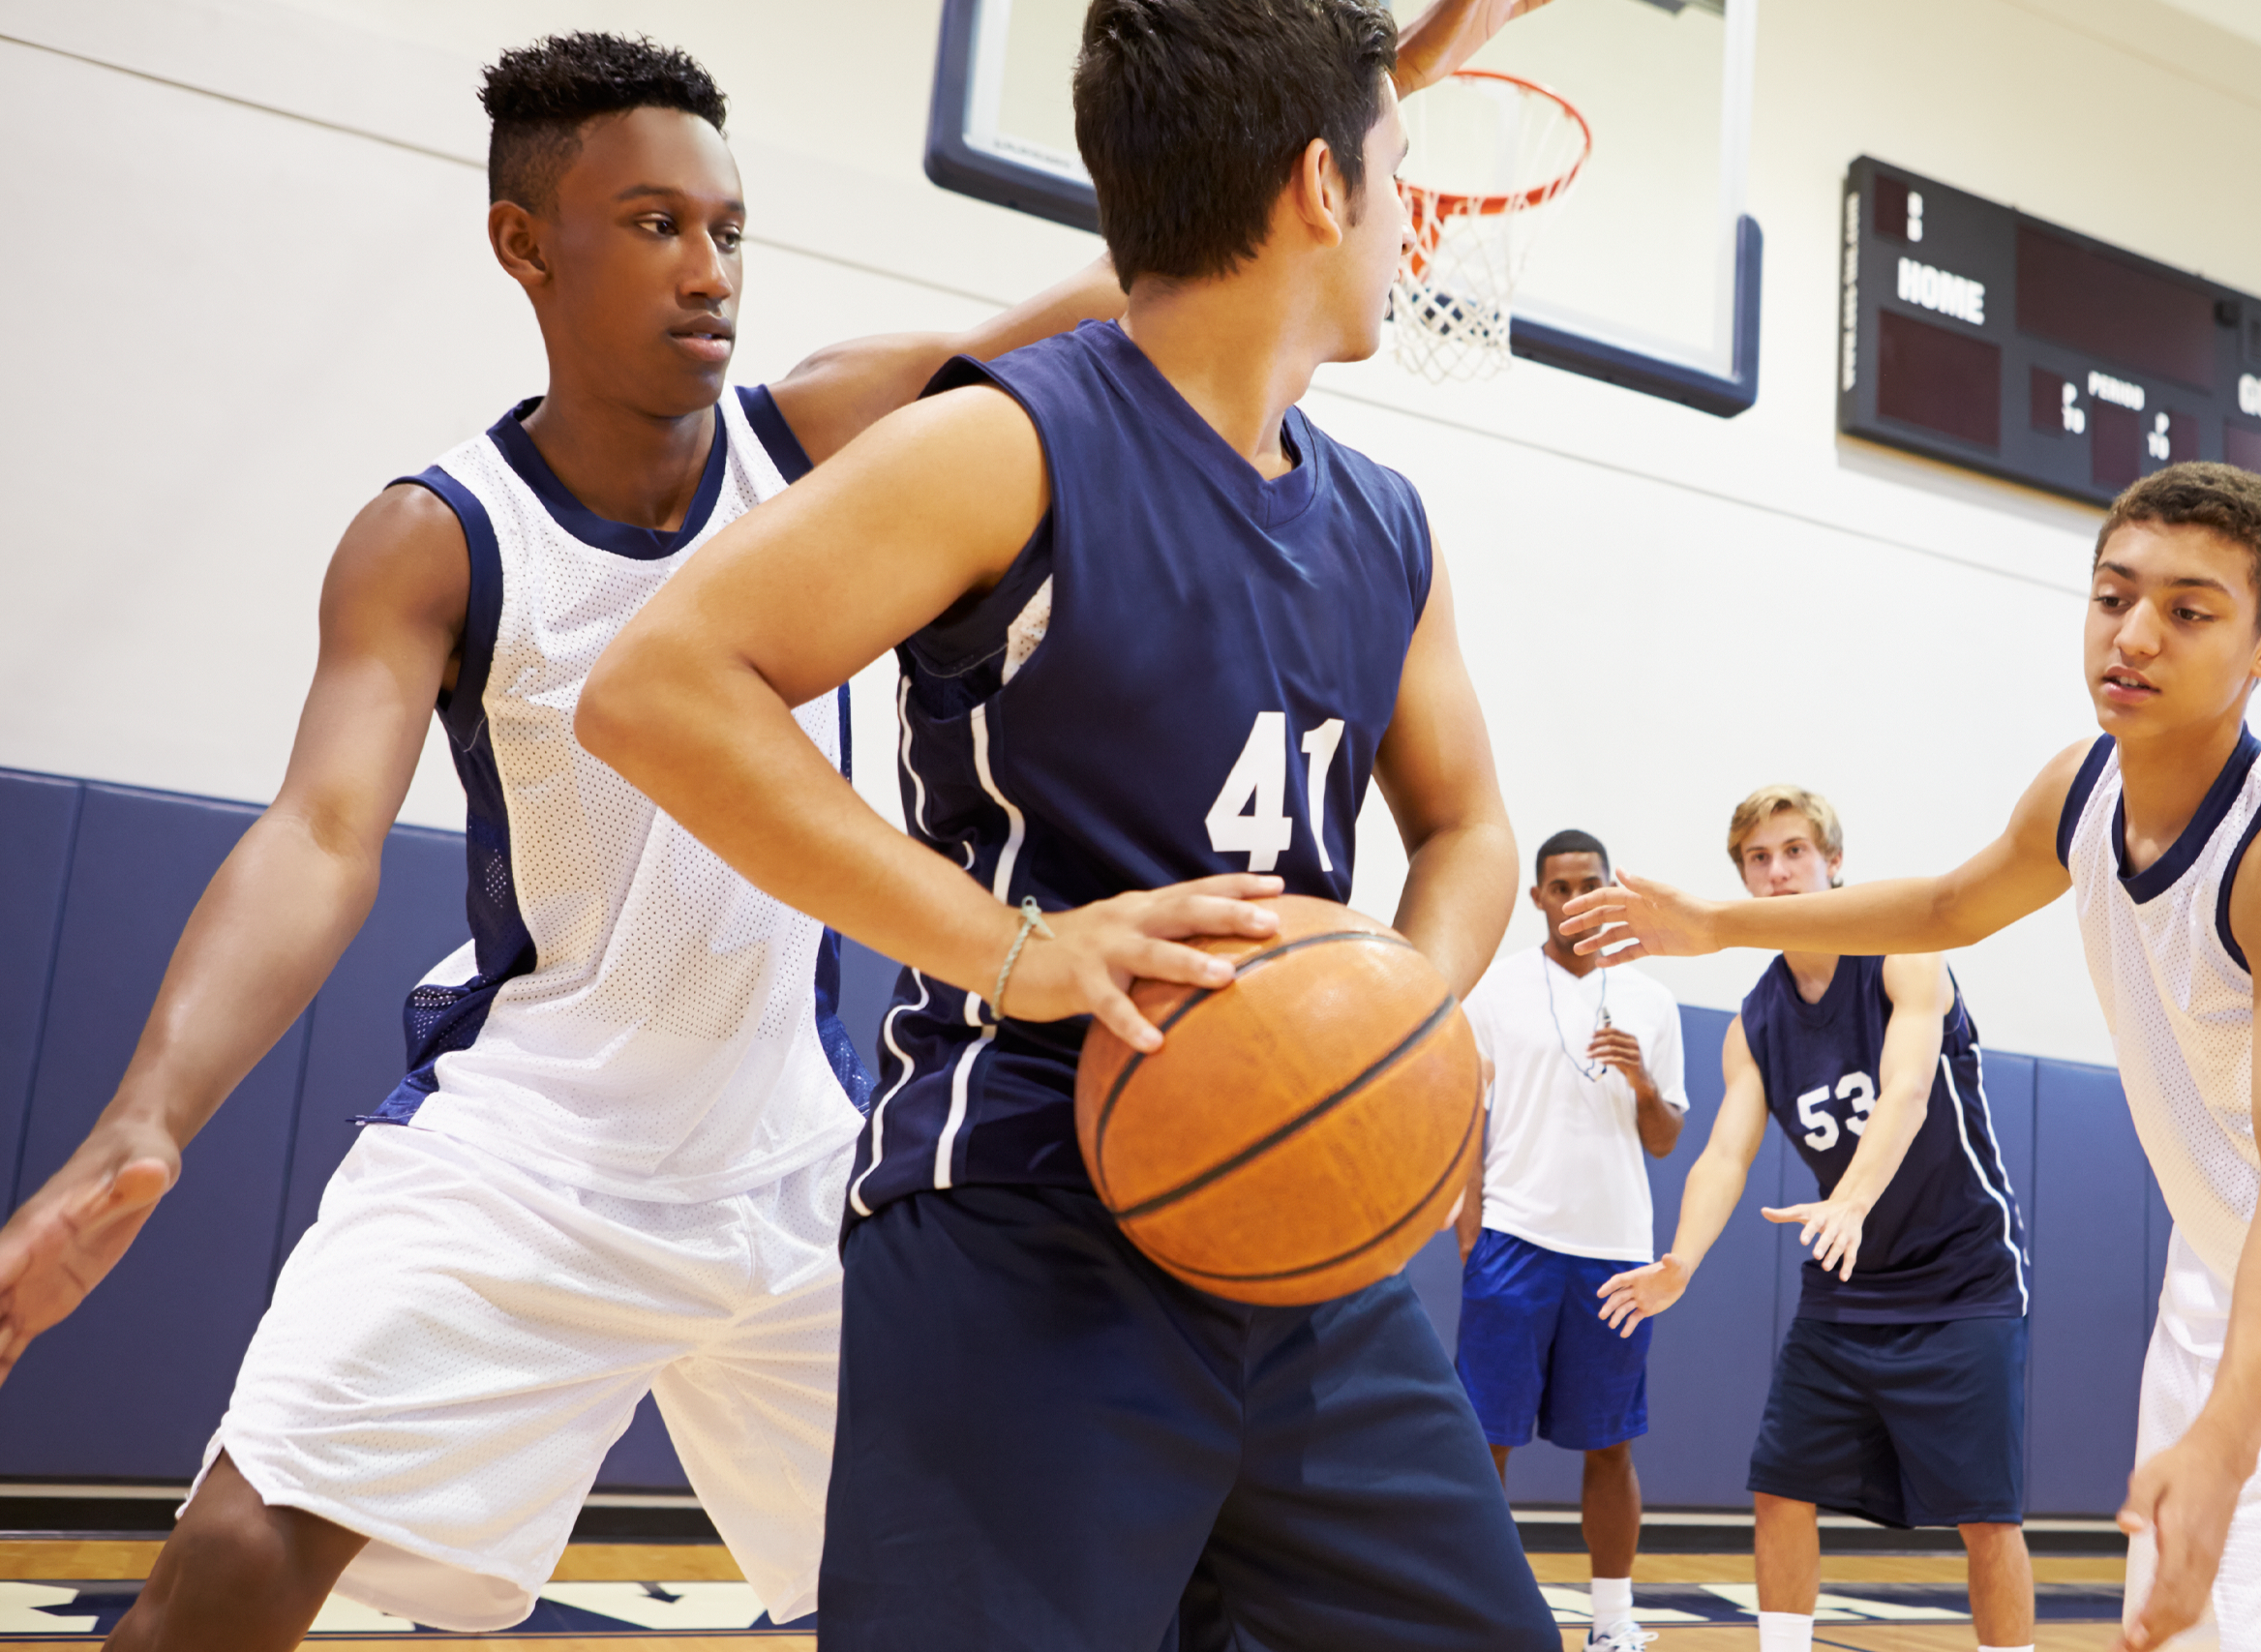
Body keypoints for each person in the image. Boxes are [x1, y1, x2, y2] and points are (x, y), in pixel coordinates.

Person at [0, 32, 1176, 1648]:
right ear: (522, 242)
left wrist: (1393, 75)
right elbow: (319, 835)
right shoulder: (438, 534)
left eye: (727, 228)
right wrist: (146, 1117)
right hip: (529, 1161)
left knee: (984, 1594)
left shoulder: (816, 436)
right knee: (231, 1571)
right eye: (650, 224)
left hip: (794, 1174)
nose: (710, 270)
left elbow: (1140, 293)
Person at [575, 2, 1564, 1646]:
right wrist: (1012, 948)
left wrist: (1397, 1014)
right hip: (1024, 1209)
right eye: (1404, 173)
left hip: (1309, 1242)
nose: (1416, 219)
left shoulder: (1389, 525)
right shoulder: (1010, 441)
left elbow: (1465, 831)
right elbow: (660, 687)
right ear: (1323, 189)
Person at [1571, 461, 2261, 1652]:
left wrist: (2223, 1439)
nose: (2135, 636)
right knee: (2186, 1627)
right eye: (2113, 597)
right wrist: (1720, 923)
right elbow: (1947, 904)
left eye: (2189, 611)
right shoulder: (2080, 786)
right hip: (2222, 1266)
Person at [1599, 786, 2032, 1652]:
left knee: (1985, 1516)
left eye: (1794, 850)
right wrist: (1681, 1259)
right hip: (1847, 1286)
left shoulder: (1906, 953)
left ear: (1834, 863)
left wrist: (1853, 1198)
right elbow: (1725, 1151)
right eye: (1759, 859)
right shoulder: (1757, 1020)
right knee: (1780, 1486)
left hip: (1962, 1279)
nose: (1778, 869)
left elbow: (1907, 1090)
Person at [1453, 827, 1687, 1652]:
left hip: (1616, 1250)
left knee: (1610, 1443)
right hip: (1514, 1236)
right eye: (1560, 887)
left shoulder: (1653, 1001)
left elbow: (1664, 1138)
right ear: (1538, 898)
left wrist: (1642, 1081)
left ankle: (1613, 1621)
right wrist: (1468, 1216)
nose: (1575, 900)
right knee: (1486, 1437)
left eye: (1590, 884)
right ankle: (1476, 1614)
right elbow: (1467, 1111)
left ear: (1608, 888)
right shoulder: (1496, 991)